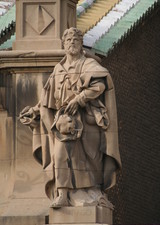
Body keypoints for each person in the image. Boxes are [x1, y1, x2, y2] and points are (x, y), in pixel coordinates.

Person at [20, 27, 121, 208]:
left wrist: (80, 99)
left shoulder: (88, 65)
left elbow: (101, 83)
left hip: (87, 121)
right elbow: (47, 98)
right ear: (64, 45)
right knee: (59, 156)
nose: (72, 43)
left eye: (75, 40)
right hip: (63, 124)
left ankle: (91, 192)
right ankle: (63, 194)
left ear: (81, 44)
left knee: (88, 161)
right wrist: (35, 111)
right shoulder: (58, 70)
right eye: (68, 41)